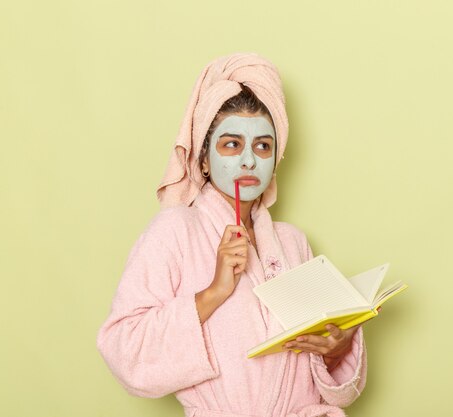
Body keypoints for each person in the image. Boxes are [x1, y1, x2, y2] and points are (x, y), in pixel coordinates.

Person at [96, 53, 367, 417]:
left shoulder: (292, 242)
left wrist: (335, 349)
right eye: (231, 144)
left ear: (276, 159)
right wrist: (213, 292)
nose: (249, 161)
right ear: (204, 159)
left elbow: (328, 382)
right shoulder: (174, 231)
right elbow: (124, 351)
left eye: (263, 146)